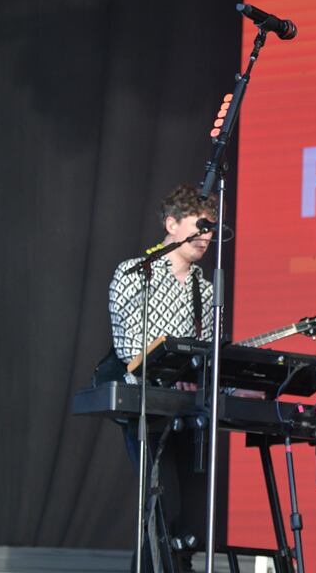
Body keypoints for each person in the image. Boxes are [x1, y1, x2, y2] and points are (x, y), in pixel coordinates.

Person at [108, 183, 217, 571]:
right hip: (147, 408)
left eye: (211, 227)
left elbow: (209, 355)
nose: (207, 235)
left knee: (192, 523)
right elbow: (128, 351)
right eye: (199, 225)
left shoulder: (206, 289)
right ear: (171, 223)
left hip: (191, 414)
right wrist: (174, 366)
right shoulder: (134, 273)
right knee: (162, 509)